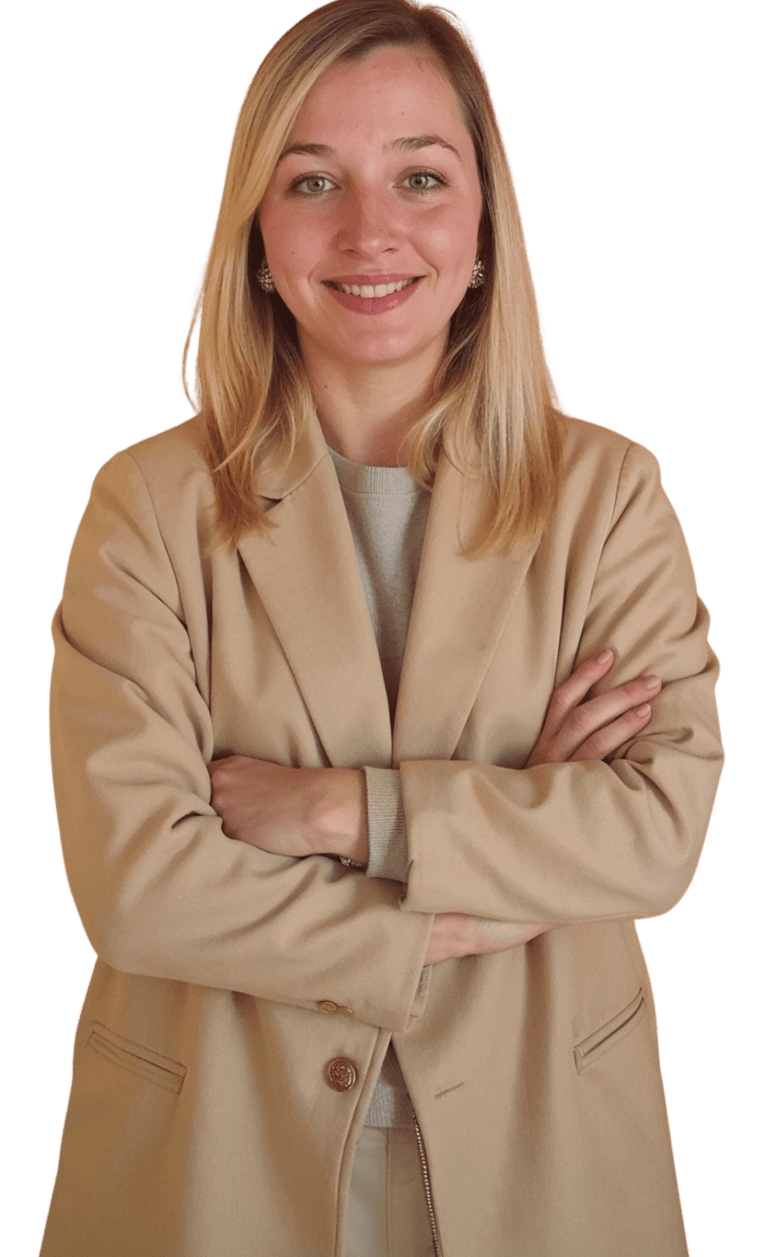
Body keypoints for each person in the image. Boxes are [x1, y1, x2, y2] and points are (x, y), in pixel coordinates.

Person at [40, 1, 724, 1254]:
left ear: (484, 226)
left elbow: (657, 832)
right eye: (314, 180)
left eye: (420, 176)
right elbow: (139, 888)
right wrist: (488, 885)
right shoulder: (146, 504)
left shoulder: (610, 495)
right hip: (216, 1162)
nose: (370, 231)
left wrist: (344, 814)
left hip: (550, 1154)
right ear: (258, 233)